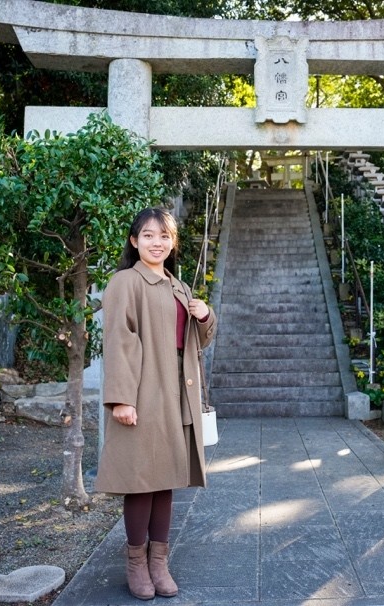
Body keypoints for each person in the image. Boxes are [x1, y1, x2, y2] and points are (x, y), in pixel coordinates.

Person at [95, 207, 216, 600]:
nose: (157, 243)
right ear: (134, 241)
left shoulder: (177, 286)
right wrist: (122, 399)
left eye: (165, 236)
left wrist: (205, 315)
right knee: (140, 481)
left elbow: (196, 340)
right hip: (143, 390)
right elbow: (119, 340)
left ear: (173, 242)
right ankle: (136, 563)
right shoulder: (125, 282)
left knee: (165, 480)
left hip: (177, 391)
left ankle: (159, 563)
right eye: (148, 235)